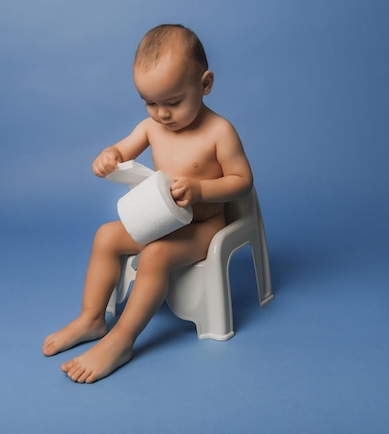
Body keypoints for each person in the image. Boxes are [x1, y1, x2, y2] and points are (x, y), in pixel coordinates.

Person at [42, 24, 253, 383]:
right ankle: (92, 318)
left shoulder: (219, 131)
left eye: (173, 102)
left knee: (155, 256)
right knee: (106, 237)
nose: (161, 114)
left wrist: (200, 191)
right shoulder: (151, 127)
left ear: (204, 85)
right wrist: (108, 157)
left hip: (203, 228)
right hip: (161, 220)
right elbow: (121, 151)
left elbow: (242, 182)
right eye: (150, 103)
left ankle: (122, 340)